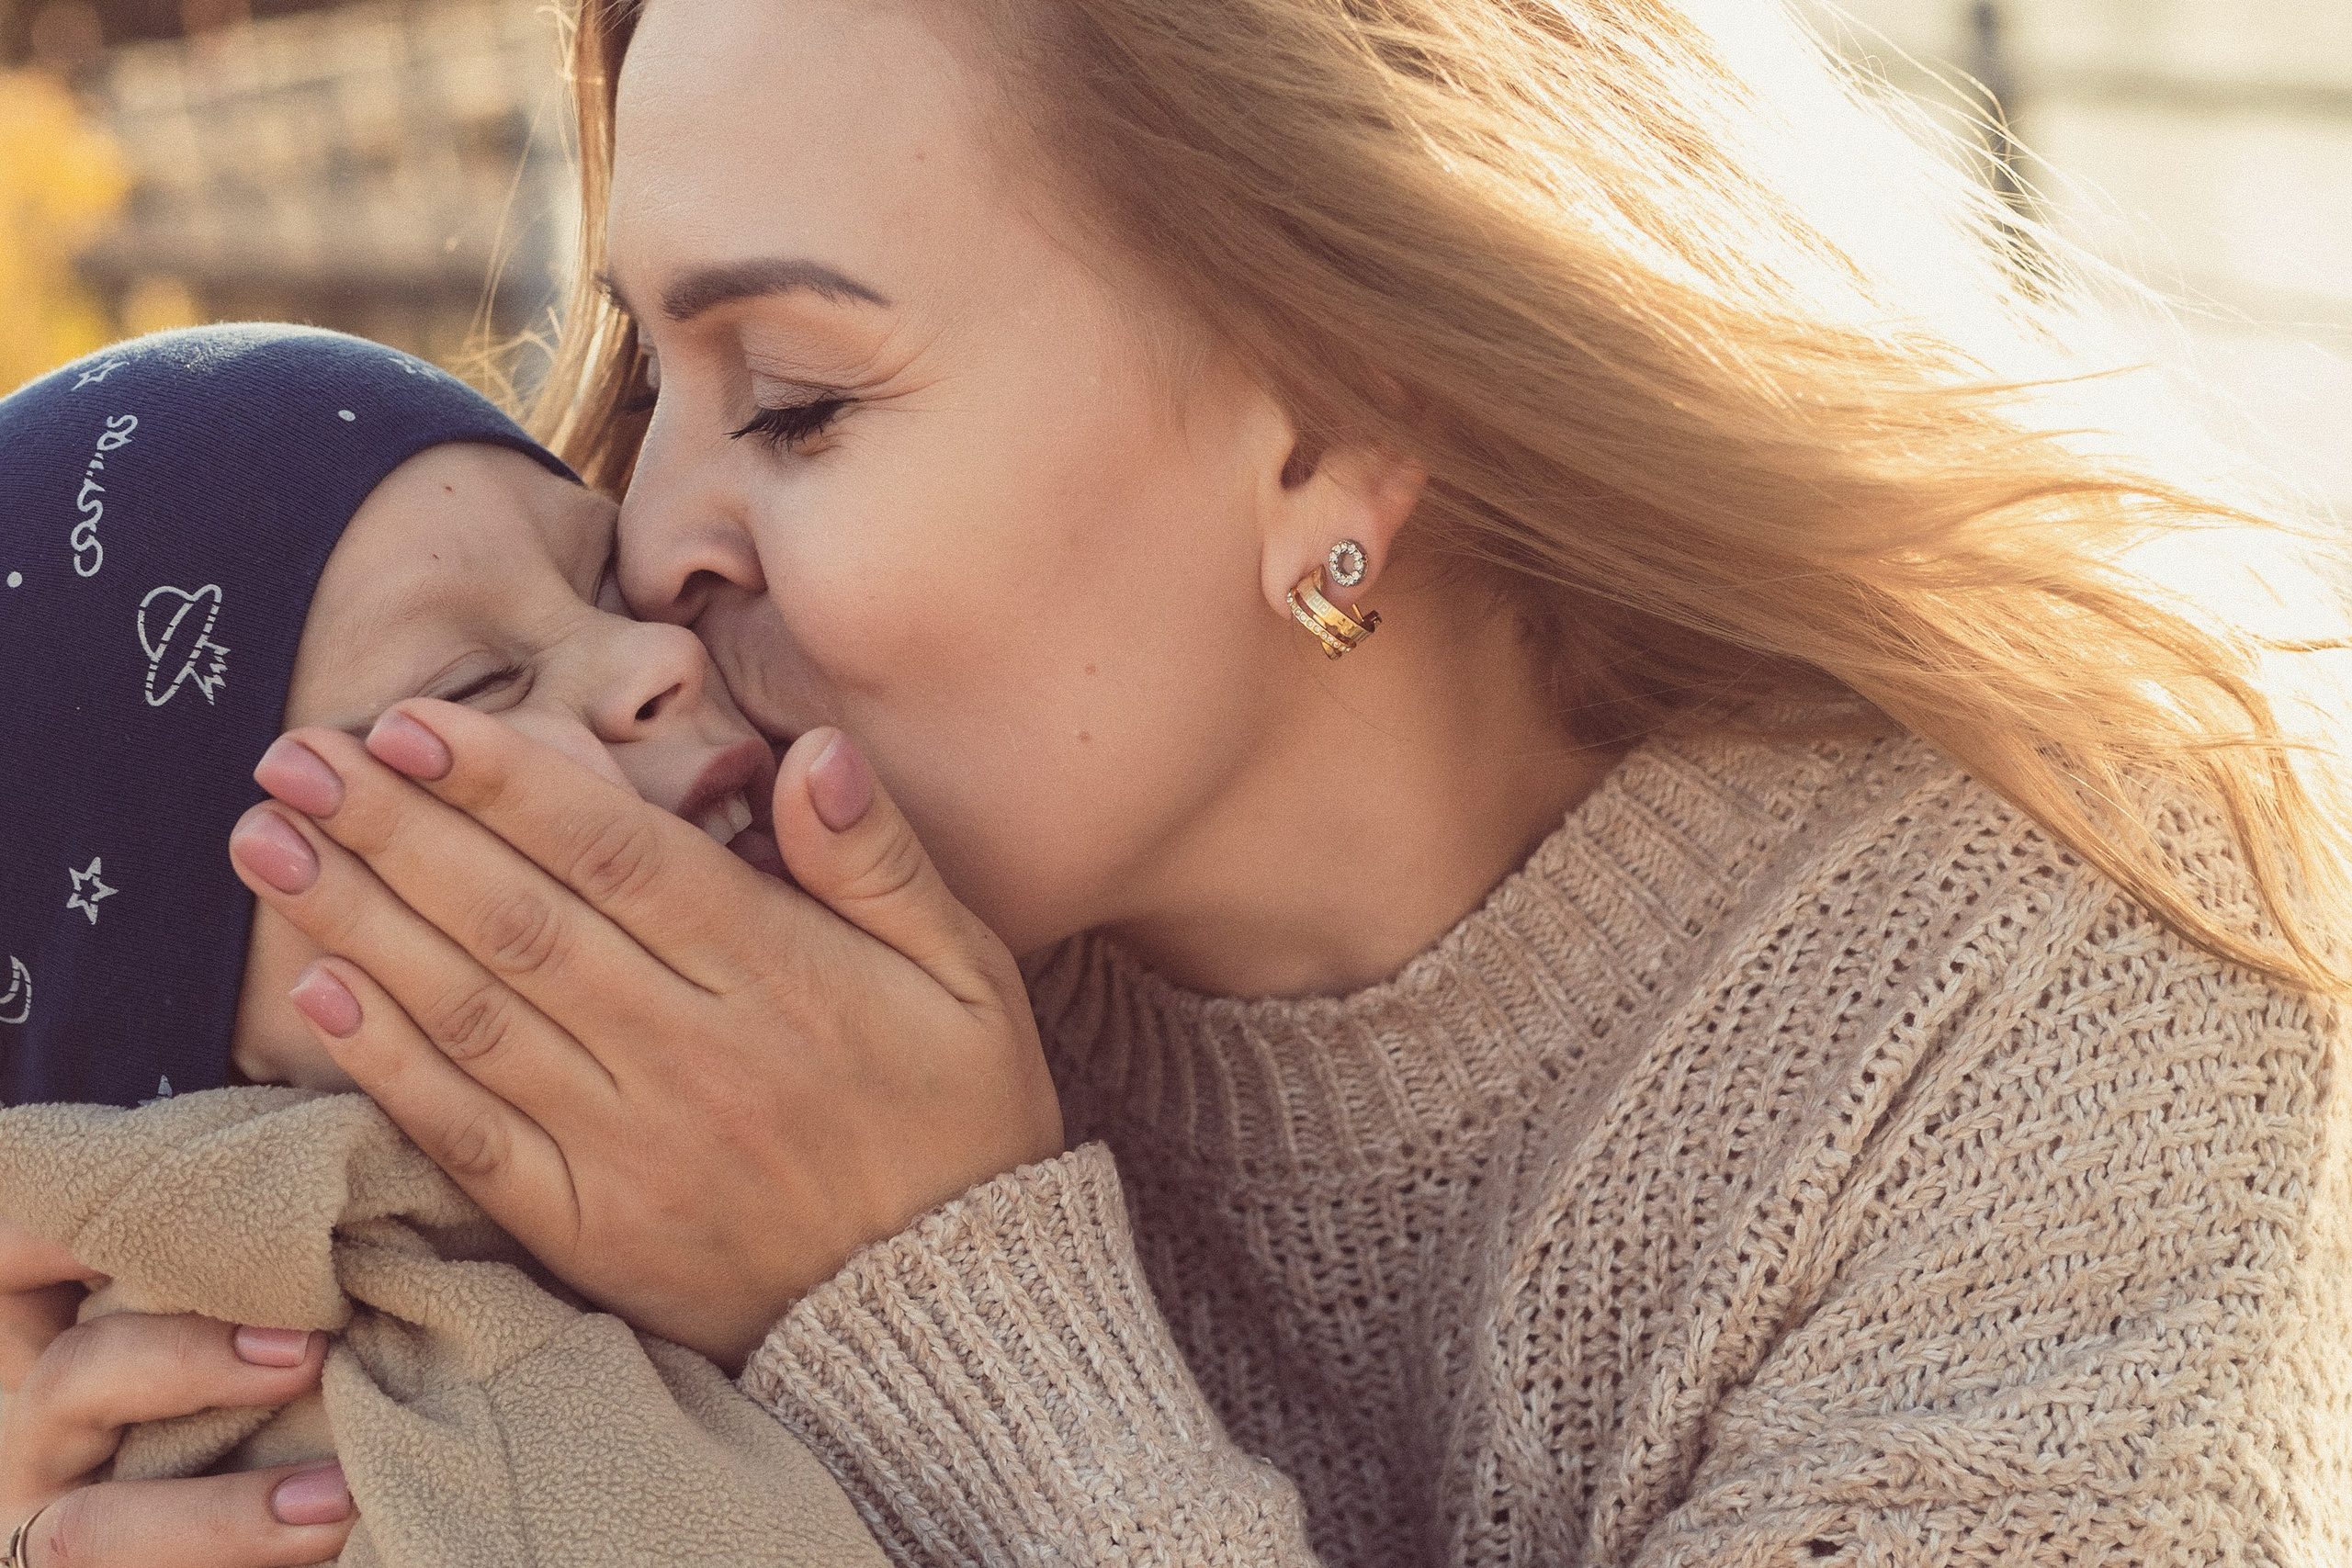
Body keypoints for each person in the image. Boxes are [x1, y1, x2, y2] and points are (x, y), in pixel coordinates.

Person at [10, 0, 2352, 1563]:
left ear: (1330, 406)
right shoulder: (612, 940)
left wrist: (924, 1307)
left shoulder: (2063, 993)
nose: (648, 540)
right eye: (653, 370)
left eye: (800, 398)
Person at [0, 325, 877, 1567]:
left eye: (606, 583)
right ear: (187, 1025)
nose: (662, 653)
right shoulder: (443, 1465)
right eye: (473, 686)